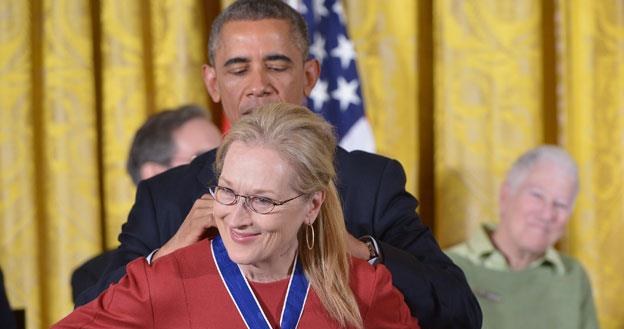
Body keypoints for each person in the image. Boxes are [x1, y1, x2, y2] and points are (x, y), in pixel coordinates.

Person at [76, 1, 481, 328]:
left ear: (309, 76)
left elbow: (459, 313)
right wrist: (167, 253)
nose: (258, 84)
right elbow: (90, 308)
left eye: (277, 65)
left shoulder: (369, 183)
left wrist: (358, 249)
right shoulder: (166, 195)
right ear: (213, 83)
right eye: (238, 68)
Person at [54, 103, 419, 328]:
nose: (237, 218)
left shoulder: (364, 286)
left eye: (262, 201)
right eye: (227, 192)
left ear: (312, 205)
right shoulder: (163, 279)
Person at [70, 104, 222, 302]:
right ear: (153, 173)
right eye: (201, 159)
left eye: (221, 154)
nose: (219, 169)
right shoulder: (92, 275)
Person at [445, 145, 599, 329]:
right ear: (505, 196)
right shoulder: (446, 266)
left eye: (561, 204)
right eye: (537, 195)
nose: (547, 213)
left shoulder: (573, 276)